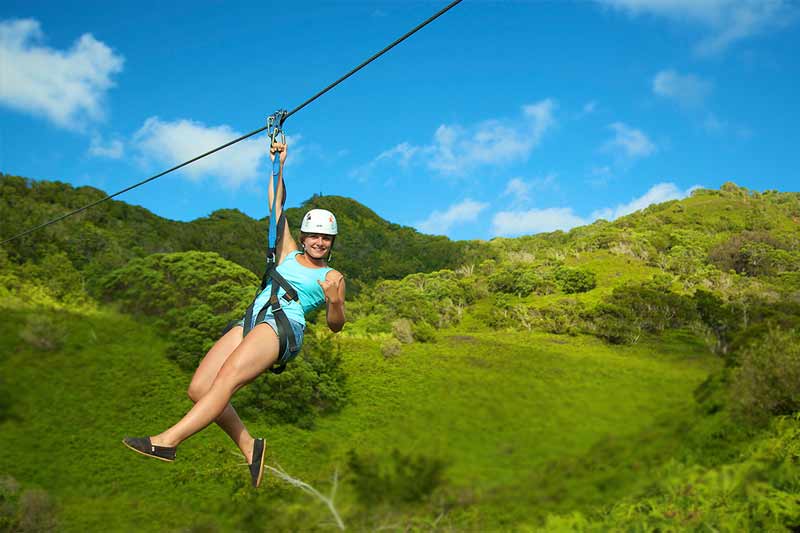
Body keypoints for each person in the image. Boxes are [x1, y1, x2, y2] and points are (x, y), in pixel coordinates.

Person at [123, 142, 346, 488]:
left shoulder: (333, 277)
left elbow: (336, 326)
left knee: (227, 378)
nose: (319, 242)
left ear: (332, 243)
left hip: (283, 326)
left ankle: (167, 442)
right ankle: (250, 446)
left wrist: (335, 303)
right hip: (253, 318)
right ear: (303, 237)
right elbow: (276, 204)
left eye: (326, 238)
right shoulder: (287, 251)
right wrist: (279, 163)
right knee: (199, 388)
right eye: (314, 235)